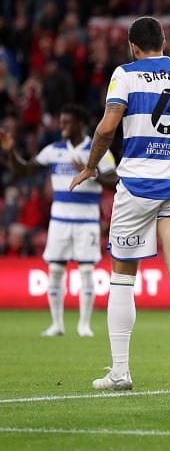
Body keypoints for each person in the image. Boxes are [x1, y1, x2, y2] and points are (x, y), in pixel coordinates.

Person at [70, 16, 170, 393]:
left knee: (123, 277)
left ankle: (120, 372)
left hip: (137, 187)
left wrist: (91, 166)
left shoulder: (126, 74)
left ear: (133, 46)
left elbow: (107, 127)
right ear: (164, 43)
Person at [0, 104, 117, 337]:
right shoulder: (53, 150)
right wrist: (11, 152)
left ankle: (84, 325)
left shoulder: (98, 150)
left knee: (86, 271)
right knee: (54, 270)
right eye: (61, 121)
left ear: (80, 124)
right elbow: (25, 171)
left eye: (67, 122)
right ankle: (57, 324)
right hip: (59, 220)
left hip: (86, 220)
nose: (62, 125)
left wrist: (92, 172)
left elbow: (115, 183)